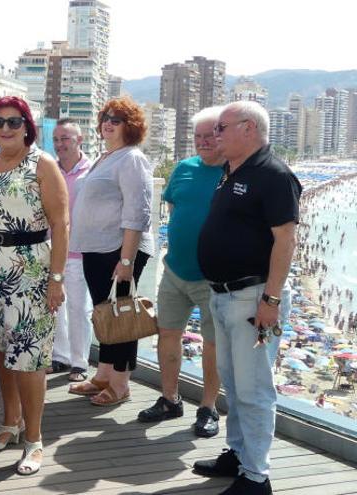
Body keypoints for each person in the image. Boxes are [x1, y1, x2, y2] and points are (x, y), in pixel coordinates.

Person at [193, 101, 301, 495]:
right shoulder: (231, 170)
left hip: (253, 297)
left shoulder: (273, 175)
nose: (215, 134)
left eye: (221, 127)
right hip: (224, 295)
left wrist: (270, 301)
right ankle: (238, 455)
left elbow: (285, 240)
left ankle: (256, 477)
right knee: (235, 386)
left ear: (249, 128)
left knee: (254, 389)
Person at [0, 96, 68, 476]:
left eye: (13, 121)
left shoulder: (42, 163)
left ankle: (35, 438)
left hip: (29, 274)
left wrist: (56, 279)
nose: (5, 128)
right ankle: (10, 423)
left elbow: (61, 225)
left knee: (29, 360)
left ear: (27, 126)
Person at [137, 106, 225, 438]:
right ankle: (170, 399)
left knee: (212, 344)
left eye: (210, 135)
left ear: (222, 135)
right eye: (198, 136)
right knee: (167, 334)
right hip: (174, 271)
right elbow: (174, 208)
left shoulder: (233, 173)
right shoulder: (184, 168)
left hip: (212, 278)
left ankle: (208, 407)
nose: (203, 142)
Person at [67, 97, 154, 407]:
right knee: (105, 315)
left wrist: (127, 261)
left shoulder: (132, 158)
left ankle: (120, 383)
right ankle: (103, 374)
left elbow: (138, 212)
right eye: (106, 117)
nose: (108, 122)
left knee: (122, 316)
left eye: (116, 119)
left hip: (118, 250)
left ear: (129, 127)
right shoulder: (106, 157)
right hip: (96, 249)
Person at [47, 118, 94, 382]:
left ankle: (80, 362)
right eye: (56, 139)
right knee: (55, 307)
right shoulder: (49, 170)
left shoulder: (93, 169)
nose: (60, 144)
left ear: (80, 140)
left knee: (78, 308)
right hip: (52, 249)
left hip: (79, 250)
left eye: (65, 138)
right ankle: (60, 357)